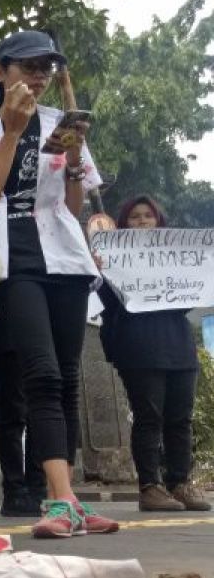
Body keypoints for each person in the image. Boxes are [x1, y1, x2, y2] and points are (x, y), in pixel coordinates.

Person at [0, 29, 120, 538]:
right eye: (28, 66)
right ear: (1, 72)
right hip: (11, 263)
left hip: (65, 261)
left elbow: (70, 209)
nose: (39, 76)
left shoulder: (63, 126)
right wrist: (11, 132)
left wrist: (72, 163)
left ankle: (63, 499)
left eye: (46, 67)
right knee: (41, 375)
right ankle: (64, 501)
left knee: (67, 378)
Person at [98, 195, 208, 512]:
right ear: (124, 224)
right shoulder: (111, 259)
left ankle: (179, 483)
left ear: (159, 222)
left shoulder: (177, 256)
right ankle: (150, 487)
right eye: (135, 216)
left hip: (178, 345)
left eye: (148, 216)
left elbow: (190, 297)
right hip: (138, 346)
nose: (143, 221)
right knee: (149, 418)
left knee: (180, 420)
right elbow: (108, 301)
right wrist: (103, 269)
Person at [0, 327, 46, 517]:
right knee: (13, 413)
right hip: (7, 336)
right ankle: (15, 492)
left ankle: (37, 489)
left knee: (38, 413)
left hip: (37, 338)